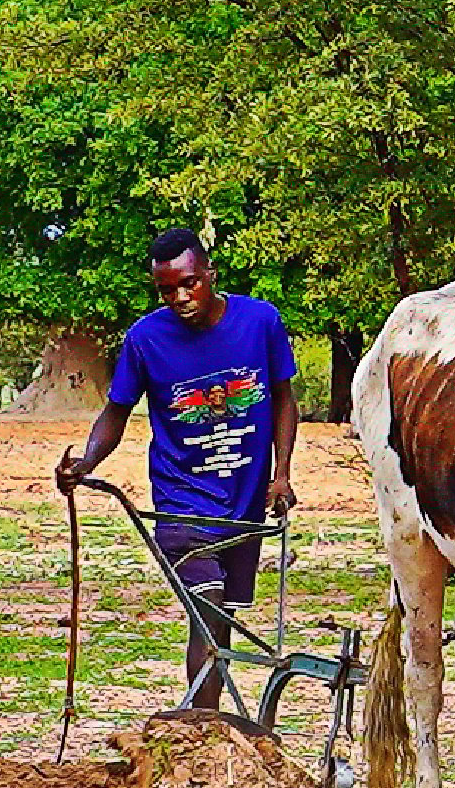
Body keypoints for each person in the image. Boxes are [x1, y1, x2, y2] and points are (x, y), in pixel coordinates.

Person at [55, 229, 299, 709]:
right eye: (167, 290)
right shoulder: (145, 339)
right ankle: (203, 728)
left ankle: (208, 726)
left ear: (210, 274)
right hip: (180, 503)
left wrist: (282, 474)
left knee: (221, 620)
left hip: (244, 503)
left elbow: (283, 400)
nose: (181, 298)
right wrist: (86, 462)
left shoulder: (260, 322)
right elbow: (116, 412)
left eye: (190, 284)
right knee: (207, 612)